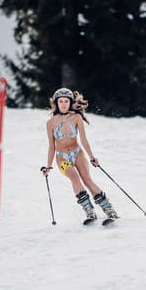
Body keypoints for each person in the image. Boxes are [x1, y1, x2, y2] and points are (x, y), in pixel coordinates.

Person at [41, 87, 119, 224]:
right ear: (56, 103)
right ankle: (89, 211)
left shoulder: (76, 118)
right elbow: (52, 146)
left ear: (70, 103)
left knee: (87, 180)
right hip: (62, 157)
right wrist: (48, 166)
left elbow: (83, 140)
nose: (64, 104)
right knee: (74, 177)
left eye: (66, 101)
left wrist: (92, 157)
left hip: (77, 153)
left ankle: (109, 210)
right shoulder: (50, 123)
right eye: (61, 101)